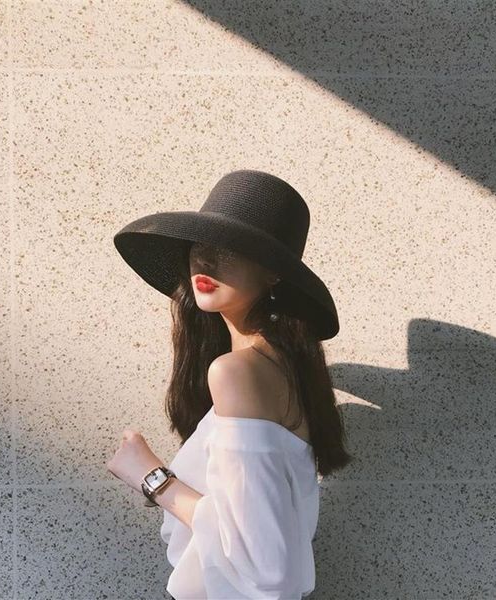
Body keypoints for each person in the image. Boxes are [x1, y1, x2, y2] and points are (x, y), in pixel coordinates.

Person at [107, 169, 352, 599]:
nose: (206, 259)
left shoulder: (236, 372)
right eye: (199, 244)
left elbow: (265, 566)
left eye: (232, 248)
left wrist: (151, 476)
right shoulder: (282, 367)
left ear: (274, 274)